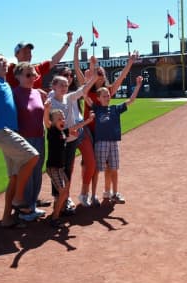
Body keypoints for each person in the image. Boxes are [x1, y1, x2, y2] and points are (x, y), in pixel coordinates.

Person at [75, 43, 140, 204]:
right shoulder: (88, 89)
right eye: (98, 73)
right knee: (89, 164)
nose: (101, 76)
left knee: (107, 165)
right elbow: (78, 72)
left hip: (104, 134)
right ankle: (86, 194)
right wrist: (78, 52)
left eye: (102, 74)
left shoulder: (108, 91)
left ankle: (107, 192)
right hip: (89, 131)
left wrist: (130, 62)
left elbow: (121, 78)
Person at [0, 54, 39, 227]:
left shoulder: (6, 84)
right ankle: (18, 199)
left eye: (5, 61)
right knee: (32, 156)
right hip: (0, 131)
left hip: (11, 133)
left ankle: (6, 219)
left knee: (14, 177)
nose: (3, 63)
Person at [48, 71, 98, 214]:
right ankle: (58, 199)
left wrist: (93, 78)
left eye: (66, 84)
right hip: (58, 142)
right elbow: (50, 123)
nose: (64, 87)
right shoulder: (50, 101)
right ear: (54, 86)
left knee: (68, 169)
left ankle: (65, 198)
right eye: (61, 85)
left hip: (71, 140)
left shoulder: (69, 97)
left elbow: (81, 91)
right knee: (57, 169)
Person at [92, 76, 143, 204]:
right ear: (98, 98)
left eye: (108, 95)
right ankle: (93, 195)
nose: (107, 97)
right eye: (104, 96)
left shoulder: (115, 108)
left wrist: (138, 85)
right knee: (98, 169)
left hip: (113, 142)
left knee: (114, 168)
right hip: (101, 142)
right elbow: (84, 92)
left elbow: (131, 100)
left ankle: (114, 193)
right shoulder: (96, 109)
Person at [43, 100, 94, 228]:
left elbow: (75, 128)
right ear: (53, 121)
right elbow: (46, 122)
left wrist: (88, 120)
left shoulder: (62, 132)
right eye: (59, 118)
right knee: (62, 190)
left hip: (60, 168)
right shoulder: (52, 130)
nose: (62, 120)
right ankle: (54, 217)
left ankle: (58, 211)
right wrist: (47, 109)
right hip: (53, 167)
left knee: (65, 190)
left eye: (63, 118)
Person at [12, 62, 46, 221]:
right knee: (26, 174)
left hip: (39, 136)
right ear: (17, 76)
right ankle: (23, 209)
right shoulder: (14, 93)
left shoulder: (38, 93)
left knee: (37, 172)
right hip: (23, 138)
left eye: (34, 75)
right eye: (28, 75)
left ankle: (32, 205)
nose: (32, 77)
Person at [6, 31, 73, 90]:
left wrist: (68, 42)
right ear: (16, 55)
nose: (28, 55)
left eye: (29, 52)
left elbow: (55, 60)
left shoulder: (37, 69)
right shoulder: (10, 69)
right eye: (24, 52)